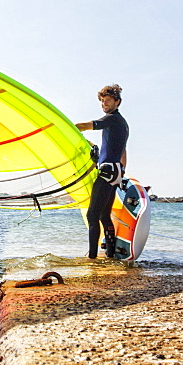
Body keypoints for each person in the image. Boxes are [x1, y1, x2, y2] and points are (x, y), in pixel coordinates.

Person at [75, 84, 129, 259]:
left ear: (117, 102)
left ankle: (92, 258)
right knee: (104, 215)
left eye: (108, 101)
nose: (104, 104)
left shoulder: (112, 119)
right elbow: (123, 151)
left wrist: (67, 128)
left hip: (107, 172)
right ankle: (111, 254)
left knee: (92, 215)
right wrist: (121, 173)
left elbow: (86, 126)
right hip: (116, 172)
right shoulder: (122, 123)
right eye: (102, 101)